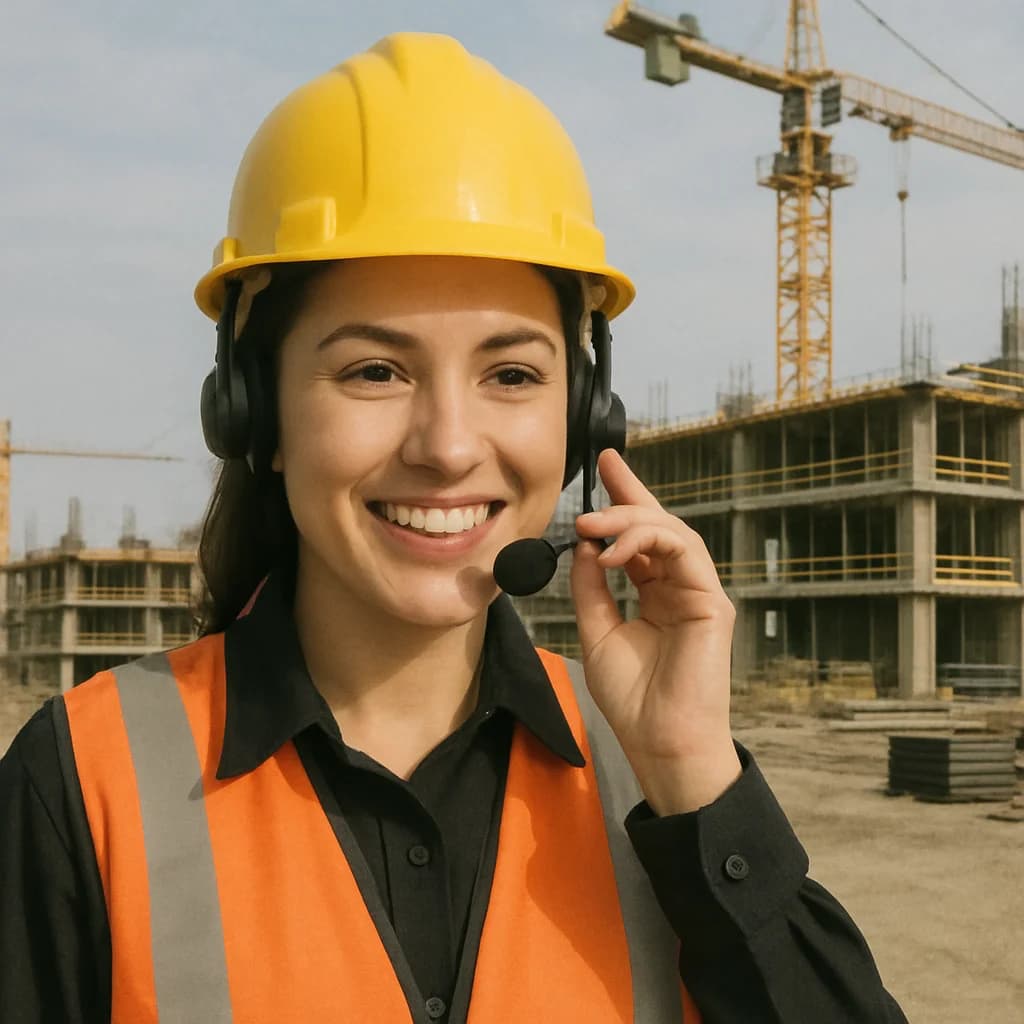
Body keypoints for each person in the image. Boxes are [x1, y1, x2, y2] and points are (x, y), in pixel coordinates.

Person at [0, 32, 907, 1023]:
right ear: (253, 415)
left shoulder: (656, 780)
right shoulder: (81, 780)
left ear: (583, 420)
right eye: (374, 371)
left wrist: (696, 777)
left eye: (511, 374)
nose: (446, 445)